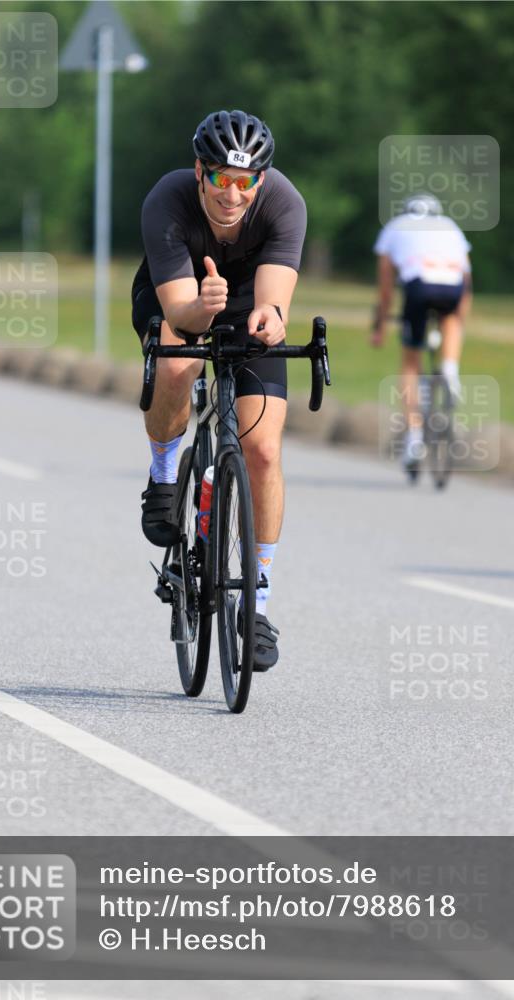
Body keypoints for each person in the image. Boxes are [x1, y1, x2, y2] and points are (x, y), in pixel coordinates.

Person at [131, 109, 307, 670]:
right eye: (221, 180)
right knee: (180, 366)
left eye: (246, 181)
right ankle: (164, 473)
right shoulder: (168, 199)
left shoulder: (284, 204)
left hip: (244, 305)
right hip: (181, 295)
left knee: (263, 448)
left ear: (261, 179)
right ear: (200, 171)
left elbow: (273, 297)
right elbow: (180, 310)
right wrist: (199, 308)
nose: (233, 195)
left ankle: (255, 602)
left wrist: (272, 319)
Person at [371, 193, 472, 471]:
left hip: (418, 285)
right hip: (452, 284)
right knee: (451, 321)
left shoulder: (394, 227)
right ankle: (450, 369)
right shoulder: (450, 226)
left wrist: (380, 325)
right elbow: (467, 280)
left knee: (410, 362)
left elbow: (386, 288)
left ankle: (414, 436)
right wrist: (459, 320)